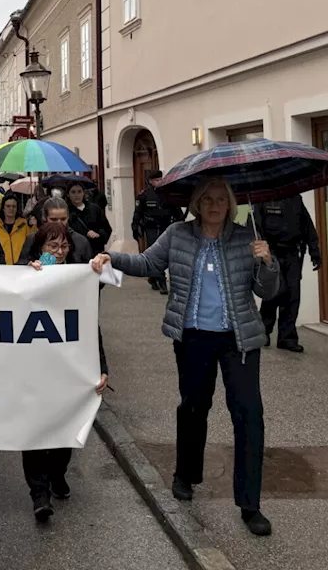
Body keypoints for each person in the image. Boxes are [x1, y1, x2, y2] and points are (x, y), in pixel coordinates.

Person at [91, 176, 280, 537]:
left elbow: (268, 291)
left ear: (230, 204)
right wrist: (110, 257)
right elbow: (147, 264)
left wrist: (267, 261)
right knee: (194, 406)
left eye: (220, 200)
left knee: (249, 415)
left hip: (239, 340)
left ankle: (250, 503)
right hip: (192, 337)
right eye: (206, 199)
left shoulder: (245, 238)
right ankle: (186, 474)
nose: (213, 206)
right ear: (196, 203)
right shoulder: (178, 234)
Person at [20, 221, 107, 520]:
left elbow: (89, 324)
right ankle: (39, 493)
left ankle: (57, 473)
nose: (58, 252)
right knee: (33, 430)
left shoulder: (79, 278)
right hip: (32, 365)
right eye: (51, 247)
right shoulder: (25, 274)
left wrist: (101, 367)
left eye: (64, 246)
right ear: (40, 248)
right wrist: (35, 269)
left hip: (67, 366)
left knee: (65, 428)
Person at [252, 195, 321, 353]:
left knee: (292, 295)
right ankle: (264, 332)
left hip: (292, 253)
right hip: (272, 252)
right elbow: (255, 226)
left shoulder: (295, 198)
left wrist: (314, 251)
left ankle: (287, 338)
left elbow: (307, 225)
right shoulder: (263, 198)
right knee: (273, 293)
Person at [132, 170, 183, 294]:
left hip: (166, 226)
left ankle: (154, 277)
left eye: (160, 179)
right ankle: (161, 280)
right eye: (156, 180)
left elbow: (177, 211)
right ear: (150, 181)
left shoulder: (167, 193)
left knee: (168, 254)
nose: (159, 182)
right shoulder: (144, 195)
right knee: (156, 254)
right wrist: (135, 226)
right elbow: (138, 212)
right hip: (151, 228)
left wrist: (181, 223)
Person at [18, 198, 93, 264]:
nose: (59, 223)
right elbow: (21, 268)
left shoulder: (81, 241)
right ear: (44, 218)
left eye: (63, 219)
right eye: (54, 219)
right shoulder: (32, 239)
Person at [66, 184, 112, 256]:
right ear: (68, 195)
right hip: (76, 254)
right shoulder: (66, 212)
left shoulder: (94, 209)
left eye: (79, 191)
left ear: (83, 193)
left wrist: (98, 234)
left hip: (96, 252)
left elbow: (107, 228)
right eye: (73, 192)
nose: (77, 195)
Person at [0, 195, 32, 266]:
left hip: (21, 267)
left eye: (14, 206)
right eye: (8, 206)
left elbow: (32, 243)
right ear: (3, 208)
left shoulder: (25, 224)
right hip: (0, 267)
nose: (11, 208)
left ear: (17, 208)